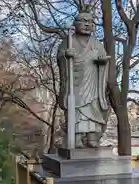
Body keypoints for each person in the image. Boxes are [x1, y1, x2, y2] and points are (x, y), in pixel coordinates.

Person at [57, 6, 110, 148]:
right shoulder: (68, 40)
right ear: (75, 24)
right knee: (77, 110)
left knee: (94, 109)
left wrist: (102, 62)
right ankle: (77, 138)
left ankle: (92, 138)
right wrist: (65, 55)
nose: (87, 24)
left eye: (90, 22)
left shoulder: (96, 43)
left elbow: (103, 57)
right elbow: (61, 56)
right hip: (75, 83)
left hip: (93, 83)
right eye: (83, 21)